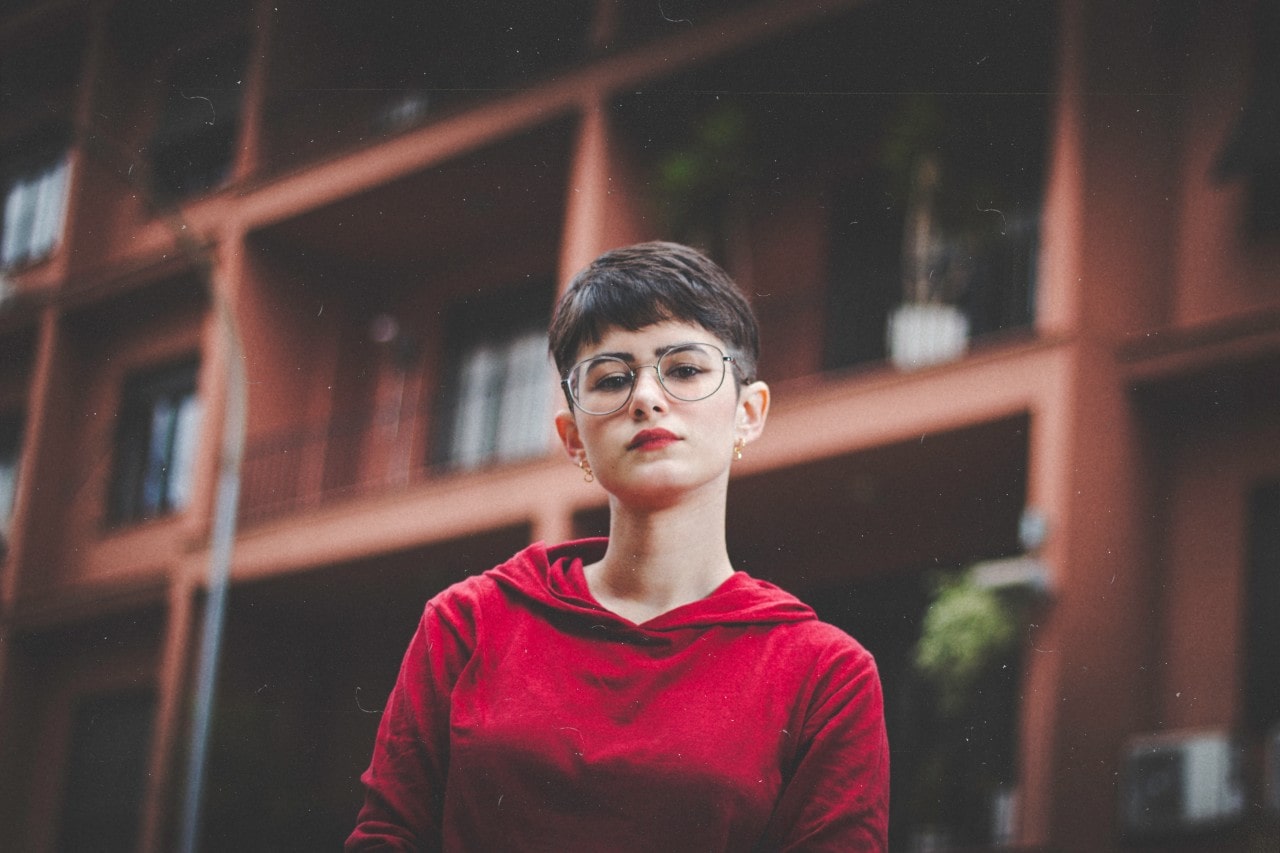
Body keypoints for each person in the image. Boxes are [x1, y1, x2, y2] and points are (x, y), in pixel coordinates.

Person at [346, 242, 889, 851]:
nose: (647, 398)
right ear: (573, 437)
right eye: (611, 378)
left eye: (684, 369)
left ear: (749, 412)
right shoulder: (469, 623)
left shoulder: (826, 674)